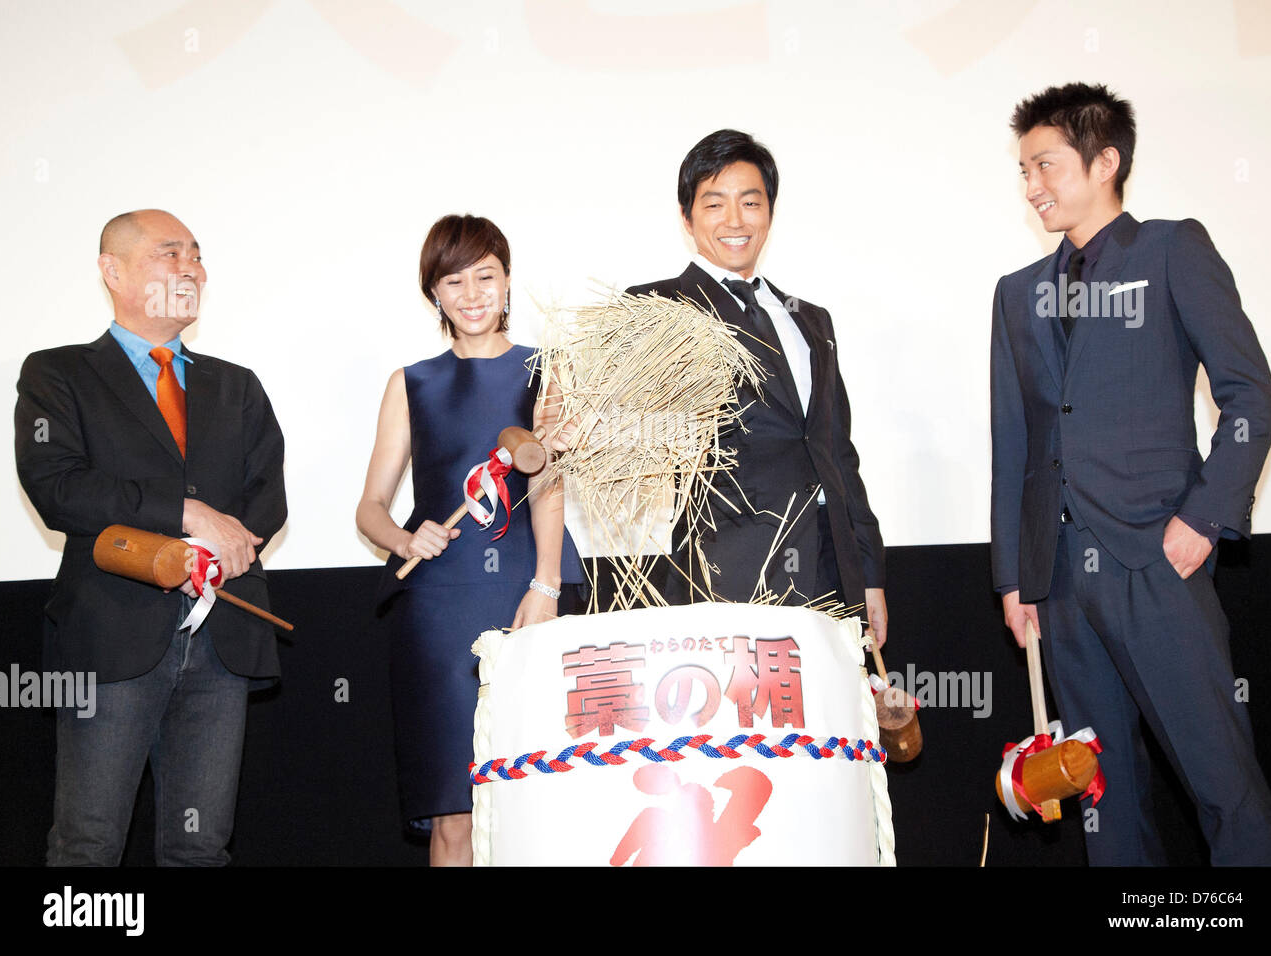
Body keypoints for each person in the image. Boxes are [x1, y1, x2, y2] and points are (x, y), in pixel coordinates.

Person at [991, 83, 1271, 865]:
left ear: (1106, 160)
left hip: (1156, 560)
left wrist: (1203, 517)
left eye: (1046, 165)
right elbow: (1014, 441)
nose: (1032, 186)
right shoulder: (1018, 294)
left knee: (1221, 779)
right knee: (1102, 795)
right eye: (1023, 169)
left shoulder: (1168, 249)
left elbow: (1249, 391)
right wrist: (1014, 577)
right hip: (1059, 578)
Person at [14, 209, 287, 866]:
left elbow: (267, 495)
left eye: (197, 254)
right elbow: (58, 488)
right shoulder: (58, 374)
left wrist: (220, 544)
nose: (190, 266)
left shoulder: (236, 384)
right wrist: (188, 516)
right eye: (170, 253)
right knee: (87, 843)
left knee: (200, 846)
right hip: (109, 638)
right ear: (112, 270)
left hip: (221, 640)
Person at [356, 214, 581, 866]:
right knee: (454, 810)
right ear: (434, 293)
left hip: (523, 591)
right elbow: (369, 508)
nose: (473, 293)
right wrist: (402, 537)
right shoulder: (412, 383)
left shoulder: (545, 372)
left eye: (486, 276)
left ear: (507, 282)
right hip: (437, 610)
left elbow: (547, 484)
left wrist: (545, 585)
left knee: (529, 798)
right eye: (455, 281)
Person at [625, 129, 887, 645]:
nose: (735, 220)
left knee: (833, 724)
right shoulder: (658, 311)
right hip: (727, 571)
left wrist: (868, 572)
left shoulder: (811, 320)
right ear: (687, 218)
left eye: (751, 202)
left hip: (832, 571)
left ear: (769, 211)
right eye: (714, 204)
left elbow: (836, 451)